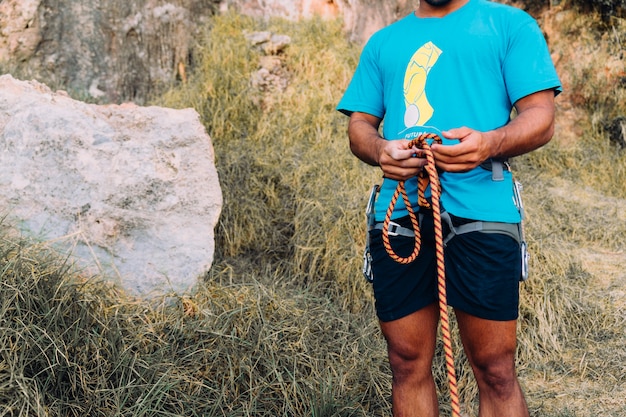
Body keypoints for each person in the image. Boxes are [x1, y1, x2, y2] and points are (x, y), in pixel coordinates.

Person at [336, 0, 561, 416]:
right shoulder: (384, 42)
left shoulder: (509, 25)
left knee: (494, 369)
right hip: (400, 212)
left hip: (484, 209)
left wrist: (490, 143)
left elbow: (541, 117)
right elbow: (359, 127)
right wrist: (381, 148)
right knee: (406, 362)